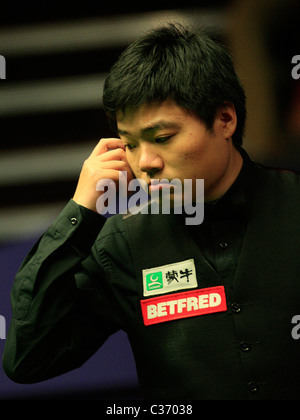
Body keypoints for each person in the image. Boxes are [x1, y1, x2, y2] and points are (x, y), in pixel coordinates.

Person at [3, 23, 300, 400]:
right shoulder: (123, 244)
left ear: (225, 119)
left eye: (162, 138)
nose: (146, 162)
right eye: (129, 143)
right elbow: (28, 360)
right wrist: (79, 212)